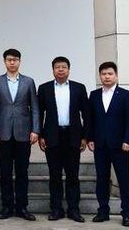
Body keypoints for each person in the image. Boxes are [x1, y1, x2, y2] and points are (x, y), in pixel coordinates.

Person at [37, 56, 89, 223]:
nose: (60, 69)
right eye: (57, 67)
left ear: (69, 69)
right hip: (52, 136)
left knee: (73, 175)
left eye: (64, 67)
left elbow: (86, 114)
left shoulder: (79, 88)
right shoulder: (44, 88)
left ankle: (74, 210)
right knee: (55, 175)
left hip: (73, 136)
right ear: (53, 70)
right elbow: (39, 113)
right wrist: (41, 135)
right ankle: (56, 209)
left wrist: (85, 136)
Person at [0, 48, 39, 221]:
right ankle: (7, 207)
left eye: (15, 59)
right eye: (9, 59)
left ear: (19, 61)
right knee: (5, 172)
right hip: (3, 133)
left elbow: (35, 108)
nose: (12, 62)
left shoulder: (28, 82)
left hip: (23, 133)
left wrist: (35, 130)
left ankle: (22, 207)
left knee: (22, 172)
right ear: (4, 61)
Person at [87, 61, 129, 227]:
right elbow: (90, 119)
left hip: (120, 145)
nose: (107, 77)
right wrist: (90, 138)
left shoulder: (125, 95)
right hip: (100, 145)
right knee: (101, 179)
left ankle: (127, 214)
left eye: (110, 74)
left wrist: (128, 140)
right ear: (100, 76)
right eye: (104, 74)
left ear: (116, 75)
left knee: (123, 180)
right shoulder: (94, 95)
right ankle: (103, 211)